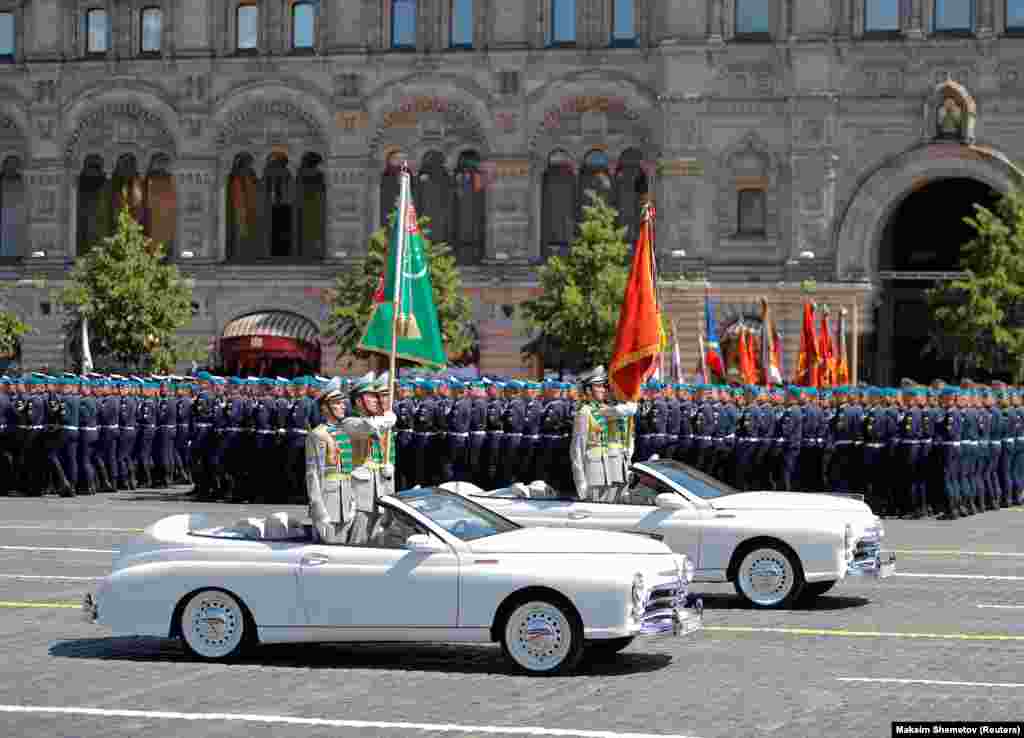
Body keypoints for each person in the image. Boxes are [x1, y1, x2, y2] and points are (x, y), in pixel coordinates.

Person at [337, 372, 397, 544]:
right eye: (371, 396)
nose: (376, 400)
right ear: (358, 401)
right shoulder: (350, 422)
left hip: (381, 489)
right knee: (358, 537)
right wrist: (385, 420)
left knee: (376, 538)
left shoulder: (381, 423)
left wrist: (388, 466)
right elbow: (367, 428)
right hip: (360, 493)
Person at [569, 366, 637, 502]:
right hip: (593, 474)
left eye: (603, 386)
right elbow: (577, 449)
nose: (603, 389)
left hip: (611, 471)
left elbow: (626, 411)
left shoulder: (605, 410)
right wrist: (580, 482)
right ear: (588, 390)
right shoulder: (584, 412)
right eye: (598, 386)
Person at [306, 378, 356, 544]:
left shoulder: (345, 431)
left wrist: (352, 501)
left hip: (345, 501)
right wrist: (318, 508)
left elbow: (350, 470)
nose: (343, 406)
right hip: (327, 502)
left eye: (343, 402)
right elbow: (312, 474)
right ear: (324, 407)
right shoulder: (318, 434)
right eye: (337, 403)